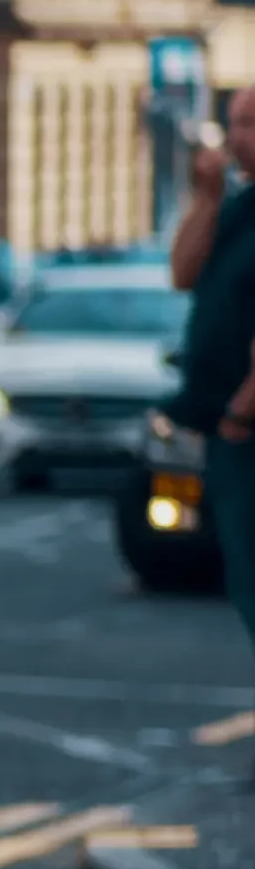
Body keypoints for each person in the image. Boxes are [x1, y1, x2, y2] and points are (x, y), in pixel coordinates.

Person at [168, 85, 255, 674]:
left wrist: (241, 413)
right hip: (229, 429)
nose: (234, 139)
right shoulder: (239, 207)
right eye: (232, 124)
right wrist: (206, 195)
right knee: (244, 576)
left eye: (248, 124)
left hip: (247, 429)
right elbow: (182, 272)